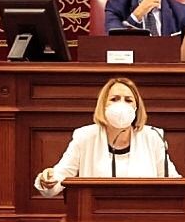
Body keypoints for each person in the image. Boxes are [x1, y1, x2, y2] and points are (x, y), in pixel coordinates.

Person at [35, 78, 177, 196]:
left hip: (143, 218)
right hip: (95, 218)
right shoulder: (85, 136)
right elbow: (57, 180)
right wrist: (47, 179)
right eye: (114, 99)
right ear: (103, 105)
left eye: (128, 100)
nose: (121, 104)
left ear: (136, 107)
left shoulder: (153, 136)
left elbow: (173, 183)